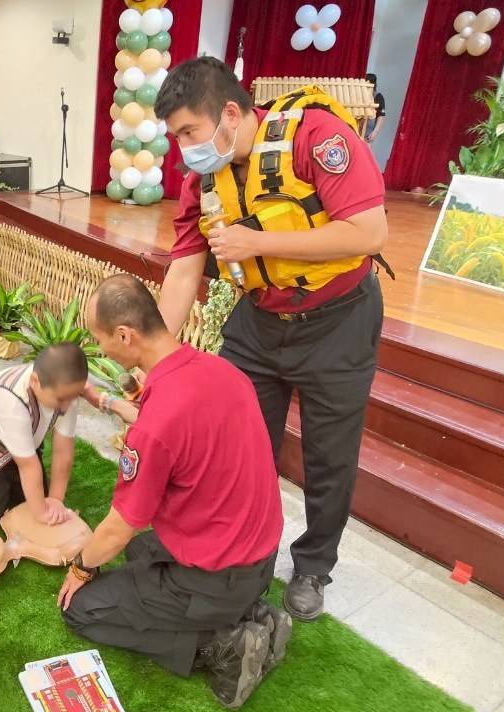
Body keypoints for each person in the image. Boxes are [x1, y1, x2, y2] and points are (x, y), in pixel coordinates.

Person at [153, 57, 388, 621]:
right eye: (176, 137)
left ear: (230, 115)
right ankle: (246, 557)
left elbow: (369, 231)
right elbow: (184, 272)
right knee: (239, 447)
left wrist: (258, 244)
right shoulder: (203, 182)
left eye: (189, 131)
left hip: (338, 321)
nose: (184, 148)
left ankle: (313, 566)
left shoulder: (316, 137)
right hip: (259, 321)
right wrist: (151, 357)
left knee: (329, 457)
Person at [58, 275, 289, 710]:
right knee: (141, 553)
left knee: (82, 609)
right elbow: (176, 427)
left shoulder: (156, 426)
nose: (99, 348)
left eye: (98, 337)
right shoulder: (221, 371)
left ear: (124, 335)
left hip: (217, 577)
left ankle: (225, 645)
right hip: (260, 556)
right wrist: (105, 401)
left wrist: (80, 568)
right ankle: (252, 614)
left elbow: (120, 527)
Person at [0, 342, 88, 525]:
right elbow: (28, 466)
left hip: (24, 440)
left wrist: (55, 499)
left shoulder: (66, 391)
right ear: (35, 381)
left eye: (73, 397)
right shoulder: (9, 399)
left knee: (31, 502)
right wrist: (43, 514)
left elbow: (63, 451)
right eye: (60, 399)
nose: (67, 406)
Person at [364, 73, 386, 144]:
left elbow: (381, 116)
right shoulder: (359, 94)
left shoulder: (378, 97)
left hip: (367, 133)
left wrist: (375, 132)